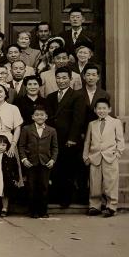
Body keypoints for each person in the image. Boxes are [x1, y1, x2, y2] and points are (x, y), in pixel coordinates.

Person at [46, 67, 87, 208]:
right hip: (53, 138)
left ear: (70, 79)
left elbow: (78, 119)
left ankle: (66, 199)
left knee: (67, 169)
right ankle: (55, 196)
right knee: (55, 168)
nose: (61, 81)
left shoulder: (77, 96)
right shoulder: (50, 97)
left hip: (68, 139)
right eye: (58, 78)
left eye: (64, 78)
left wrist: (72, 138)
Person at [83, 98, 125, 218]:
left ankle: (111, 206)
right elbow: (87, 141)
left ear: (109, 109)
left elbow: (120, 140)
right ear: (95, 110)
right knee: (94, 182)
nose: (101, 111)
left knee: (110, 182)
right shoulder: (92, 124)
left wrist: (117, 153)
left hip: (110, 157)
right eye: (99, 108)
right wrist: (86, 156)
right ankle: (94, 205)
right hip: (95, 157)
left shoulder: (115, 122)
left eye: (104, 108)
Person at [18, 106, 58, 218]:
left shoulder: (52, 130)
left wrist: (52, 160)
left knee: (44, 187)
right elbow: (21, 146)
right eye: (37, 115)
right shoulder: (26, 129)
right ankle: (32, 211)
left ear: (46, 117)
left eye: (42, 115)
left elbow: (55, 147)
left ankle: (43, 211)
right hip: (31, 162)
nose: (39, 117)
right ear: (32, 117)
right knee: (31, 187)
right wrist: (24, 159)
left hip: (45, 163)